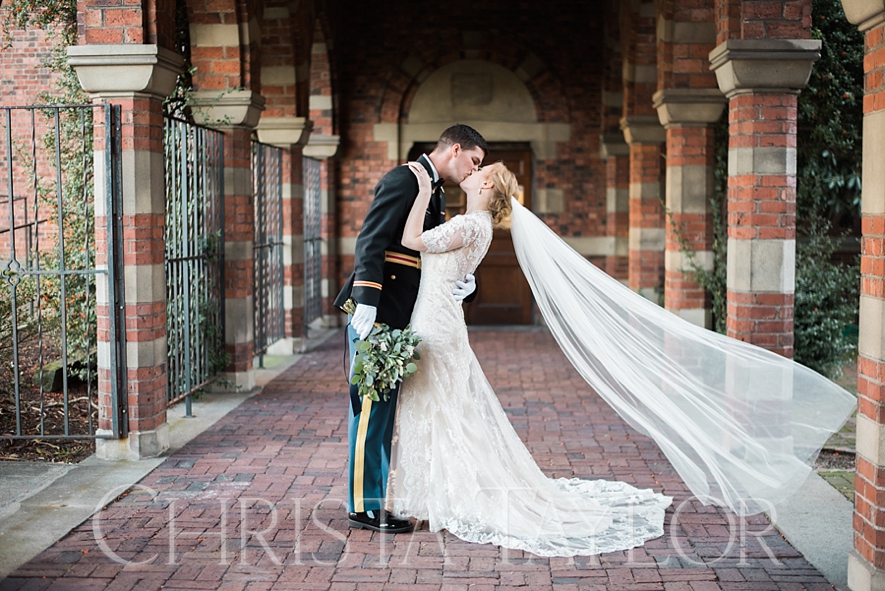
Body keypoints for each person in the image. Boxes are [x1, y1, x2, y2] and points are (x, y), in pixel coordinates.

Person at [385, 160, 855, 556]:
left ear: (486, 184)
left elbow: (410, 241)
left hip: (436, 321)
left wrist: (424, 189)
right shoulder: (481, 226)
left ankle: (434, 496)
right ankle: (435, 494)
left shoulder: (469, 223)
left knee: (440, 404)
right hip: (442, 319)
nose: (470, 170)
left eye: (478, 168)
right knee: (447, 406)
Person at [333, 124, 489, 533]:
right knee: (371, 411)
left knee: (382, 414)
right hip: (380, 311)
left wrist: (466, 283)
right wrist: (366, 299)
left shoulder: (433, 191)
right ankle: (364, 507)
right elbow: (371, 239)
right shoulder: (405, 179)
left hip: (401, 315)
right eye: (474, 160)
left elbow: (429, 257)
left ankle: (371, 500)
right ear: (455, 149)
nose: (474, 170)